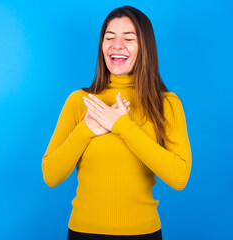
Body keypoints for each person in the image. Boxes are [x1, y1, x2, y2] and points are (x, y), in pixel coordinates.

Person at [41, 5, 191, 240]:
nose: (116, 45)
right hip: (83, 232)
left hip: (143, 233)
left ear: (145, 47)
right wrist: (86, 129)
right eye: (109, 37)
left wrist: (121, 126)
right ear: (102, 46)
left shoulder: (166, 104)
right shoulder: (80, 101)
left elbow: (179, 177)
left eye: (128, 38)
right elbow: (50, 175)